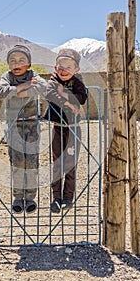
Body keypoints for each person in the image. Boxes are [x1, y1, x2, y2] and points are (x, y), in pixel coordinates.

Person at [0, 45, 46, 214]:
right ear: (8, 64)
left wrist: (22, 91)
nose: (16, 64)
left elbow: (43, 87)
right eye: (12, 61)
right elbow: (1, 92)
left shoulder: (34, 75)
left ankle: (30, 198)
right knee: (17, 162)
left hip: (32, 125)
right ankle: (18, 197)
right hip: (14, 125)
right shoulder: (6, 77)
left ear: (29, 64)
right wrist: (22, 87)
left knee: (31, 162)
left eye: (21, 60)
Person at [44, 48, 87, 213]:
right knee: (56, 163)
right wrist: (69, 102)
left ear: (76, 69)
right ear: (55, 68)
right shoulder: (53, 79)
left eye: (69, 67)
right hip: (58, 128)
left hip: (73, 129)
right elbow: (50, 93)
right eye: (60, 66)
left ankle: (68, 197)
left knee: (70, 164)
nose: (64, 70)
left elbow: (82, 98)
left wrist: (62, 92)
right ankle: (56, 197)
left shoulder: (78, 80)